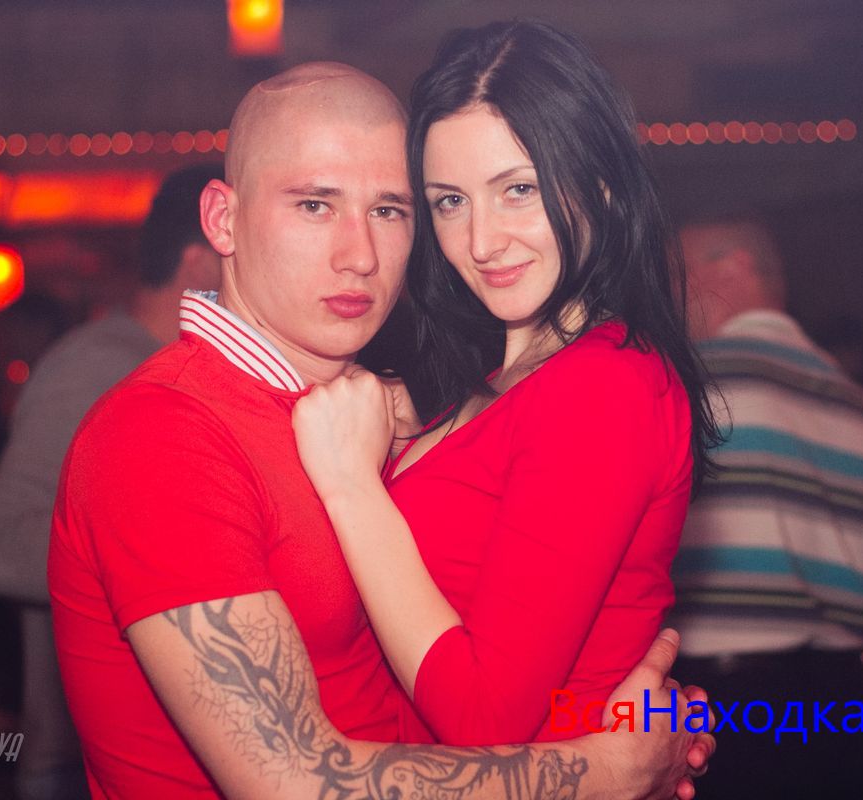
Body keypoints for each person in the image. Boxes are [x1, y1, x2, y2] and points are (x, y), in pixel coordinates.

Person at [49, 60, 712, 799]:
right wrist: (611, 769)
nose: (359, 255)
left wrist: (608, 689)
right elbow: (293, 786)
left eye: (391, 211)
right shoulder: (164, 437)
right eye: (315, 205)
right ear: (222, 220)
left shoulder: (367, 420)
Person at [292, 19, 720, 746]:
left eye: (517, 189)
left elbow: (484, 716)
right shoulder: (509, 379)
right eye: (450, 202)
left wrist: (353, 488)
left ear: (601, 186)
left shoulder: (603, 386)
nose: (481, 242)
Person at [0, 164, 223, 800]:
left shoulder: (177, 367)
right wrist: (163, 562)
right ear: (197, 263)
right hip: (79, 762)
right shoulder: (99, 366)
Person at [666, 215, 863, 798]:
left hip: (719, 714)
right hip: (846, 715)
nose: (666, 294)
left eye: (675, 273)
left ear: (734, 267)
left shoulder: (685, 388)